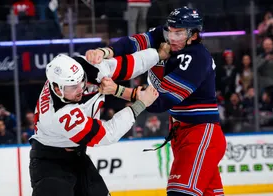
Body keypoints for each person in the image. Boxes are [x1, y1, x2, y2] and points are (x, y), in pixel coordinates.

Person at [86, 6, 227, 196]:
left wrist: (117, 90)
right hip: (182, 133)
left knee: (180, 193)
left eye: (179, 33)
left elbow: (158, 101)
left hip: (200, 134)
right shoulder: (166, 36)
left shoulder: (196, 58)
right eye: (170, 31)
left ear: (193, 35)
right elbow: (134, 42)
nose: (172, 38)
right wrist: (106, 51)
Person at [28, 47, 170, 196]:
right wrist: (140, 104)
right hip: (49, 164)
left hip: (77, 157)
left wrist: (158, 54)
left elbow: (124, 65)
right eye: (73, 86)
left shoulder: (79, 69)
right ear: (57, 89)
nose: (80, 89)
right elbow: (107, 134)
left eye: (81, 82)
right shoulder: (60, 115)